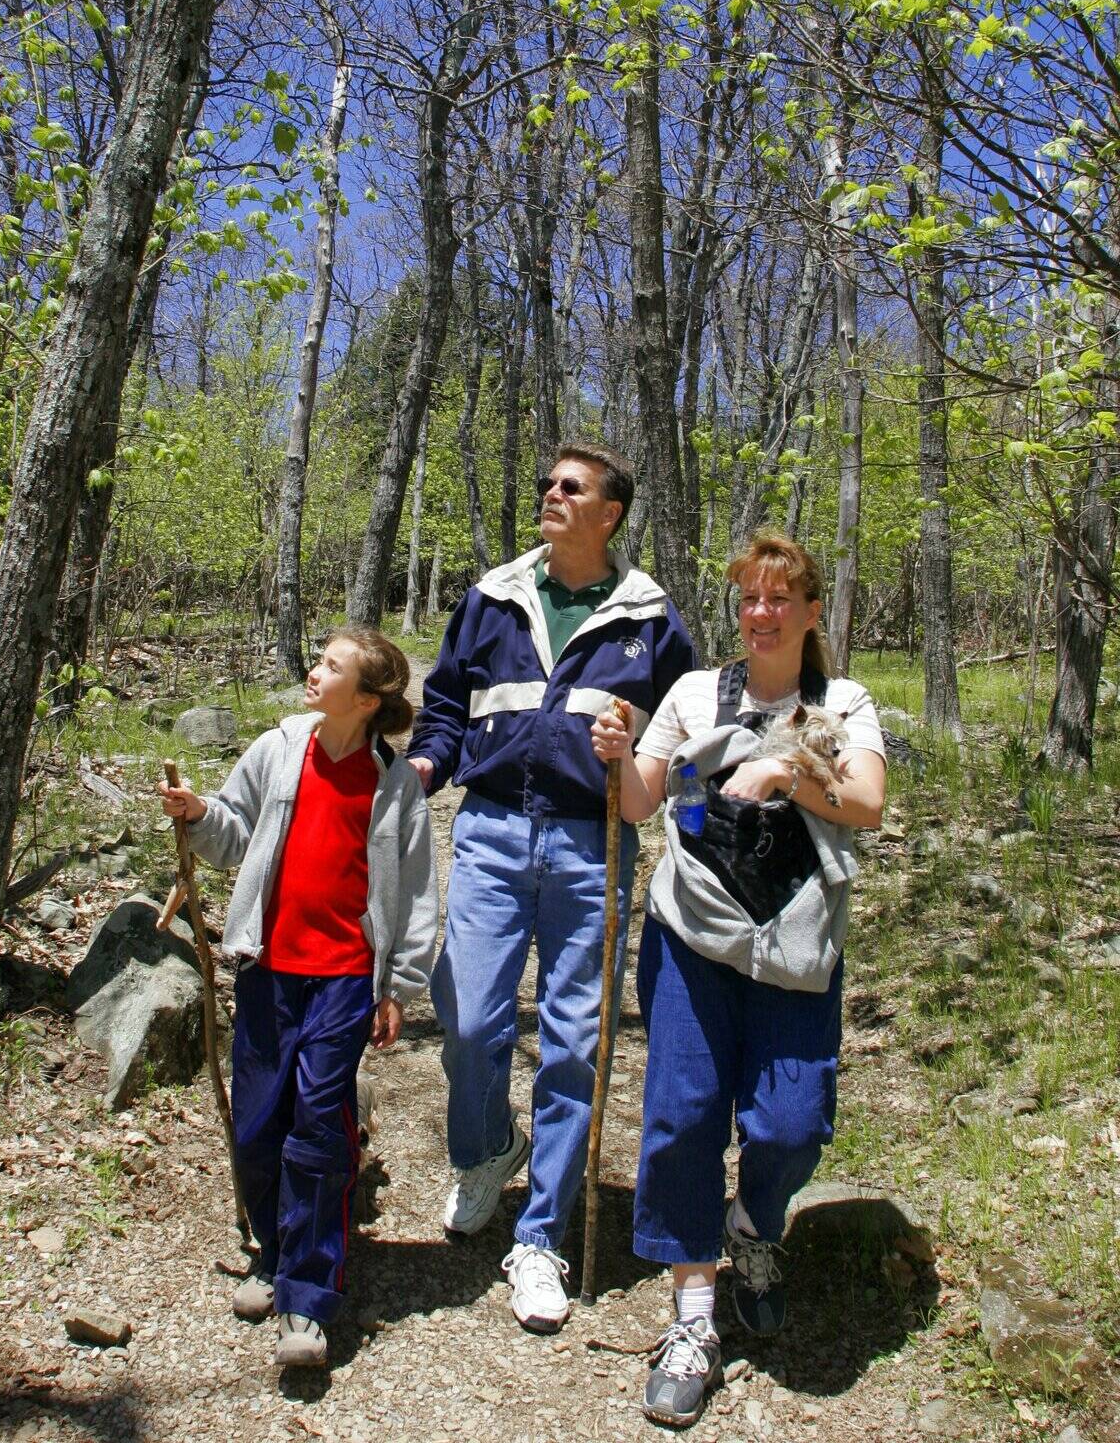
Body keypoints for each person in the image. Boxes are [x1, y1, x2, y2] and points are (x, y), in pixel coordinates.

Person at [592, 533, 885, 1428]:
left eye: (779, 599)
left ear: (810, 611)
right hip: (693, 935)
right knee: (683, 1115)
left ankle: (754, 1226)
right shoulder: (693, 694)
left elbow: (867, 803)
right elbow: (640, 803)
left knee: (793, 1124)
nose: (761, 614)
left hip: (796, 946)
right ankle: (693, 1315)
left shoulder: (842, 702)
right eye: (749, 599)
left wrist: (785, 770)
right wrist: (621, 752)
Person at [408, 441, 696, 1332]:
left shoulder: (651, 618)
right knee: (467, 1019)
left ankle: (541, 1238)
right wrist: (425, 765)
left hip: (592, 844)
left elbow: (681, 731)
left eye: (571, 487)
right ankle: (488, 1148)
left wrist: (640, 764)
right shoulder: (492, 597)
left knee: (575, 1045)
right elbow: (447, 704)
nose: (551, 494)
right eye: (547, 484)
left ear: (610, 513)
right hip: (491, 830)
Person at [158, 629, 437, 1370]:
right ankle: (275, 1252)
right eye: (318, 660)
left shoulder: (394, 785)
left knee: (318, 1128)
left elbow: (414, 896)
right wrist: (197, 812)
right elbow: (232, 834)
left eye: (331, 667)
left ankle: (309, 1297)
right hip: (268, 969)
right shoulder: (279, 750)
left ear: (367, 700)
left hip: (345, 979)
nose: (314, 673)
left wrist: (399, 986)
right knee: (257, 1124)